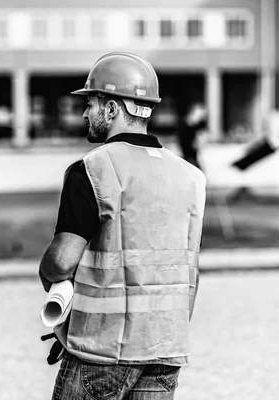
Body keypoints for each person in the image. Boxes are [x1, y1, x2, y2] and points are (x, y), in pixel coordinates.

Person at [39, 52, 207, 400]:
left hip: (102, 349)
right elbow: (191, 271)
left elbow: (61, 261)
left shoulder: (93, 169)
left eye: (91, 103)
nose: (84, 112)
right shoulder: (191, 177)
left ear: (113, 109)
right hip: (165, 349)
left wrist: (54, 293)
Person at [177, 102, 207, 169]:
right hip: (187, 153)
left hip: (192, 153)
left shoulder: (196, 127)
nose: (200, 118)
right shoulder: (184, 125)